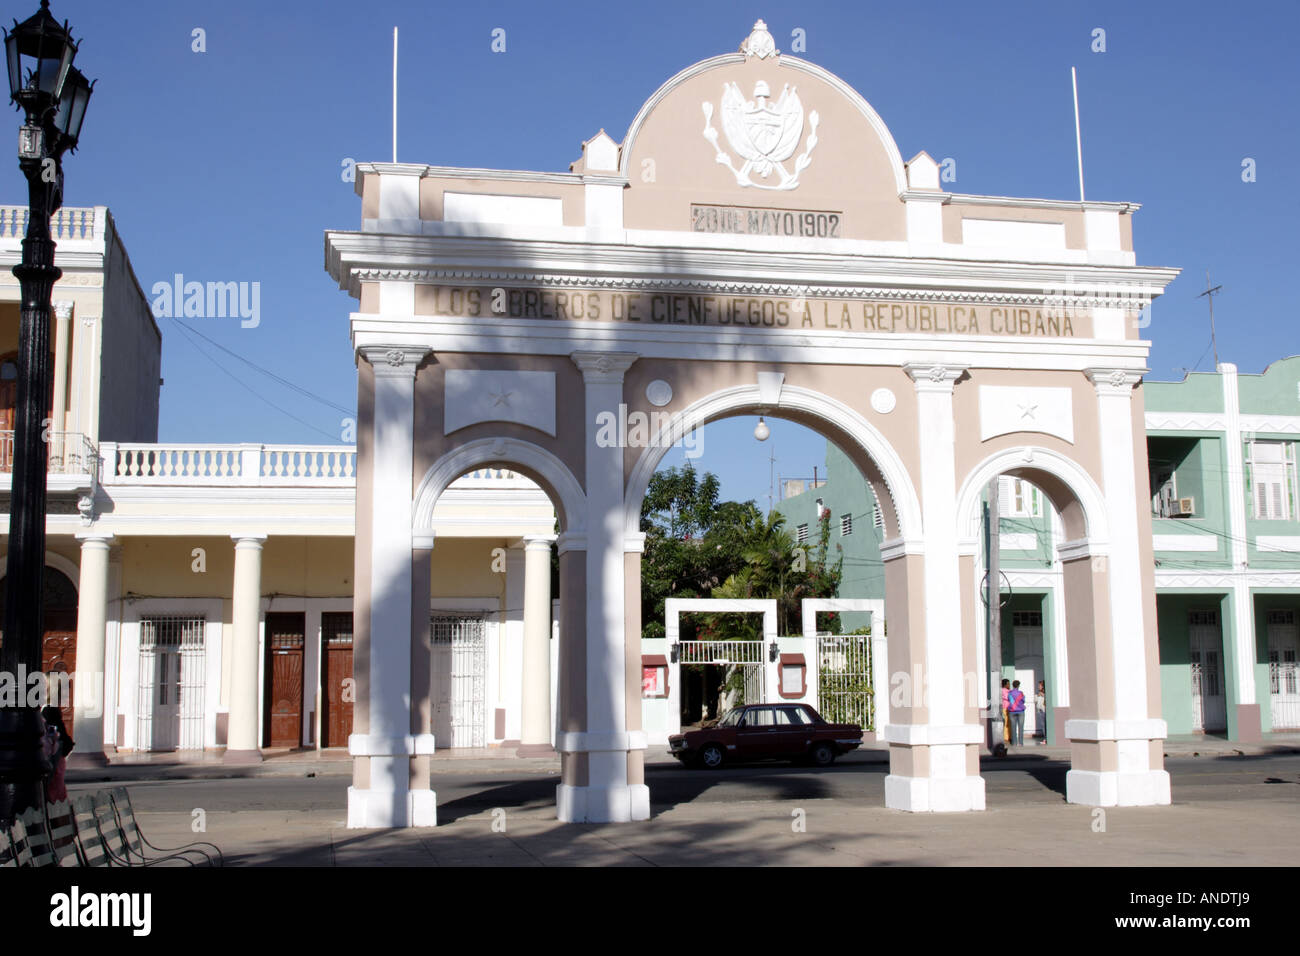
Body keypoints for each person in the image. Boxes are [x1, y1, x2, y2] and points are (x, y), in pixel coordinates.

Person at [41, 706, 74, 803]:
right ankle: (59, 804)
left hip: (53, 758)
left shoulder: (48, 726)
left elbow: (52, 742)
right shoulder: (57, 724)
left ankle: (54, 803)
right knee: (58, 782)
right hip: (60, 759)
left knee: (53, 783)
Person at [1007, 680, 1026, 746]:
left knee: (1013, 727)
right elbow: (1023, 701)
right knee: (1021, 727)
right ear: (1018, 685)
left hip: (1012, 711)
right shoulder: (1021, 693)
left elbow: (1009, 700)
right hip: (1020, 711)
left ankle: (1014, 743)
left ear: (1012, 685)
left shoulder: (1010, 693)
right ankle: (1020, 743)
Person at [1035, 680, 1047, 745]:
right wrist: (1037, 696)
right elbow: (1036, 701)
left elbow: (1046, 699)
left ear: (1042, 686)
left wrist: (1042, 695)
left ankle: (1046, 738)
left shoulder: (1045, 693)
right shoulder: (1038, 693)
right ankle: (1045, 738)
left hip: (1044, 710)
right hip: (1040, 710)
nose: (1038, 686)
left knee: (1044, 726)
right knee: (1042, 725)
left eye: (1039, 685)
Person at [1000, 678, 1011, 743]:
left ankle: (1008, 736)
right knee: (1007, 723)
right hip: (1005, 708)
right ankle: (1006, 737)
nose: (1009, 685)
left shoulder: (1007, 690)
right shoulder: (1004, 690)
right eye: (1008, 684)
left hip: (1008, 708)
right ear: (1005, 684)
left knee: (1008, 723)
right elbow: (1008, 698)